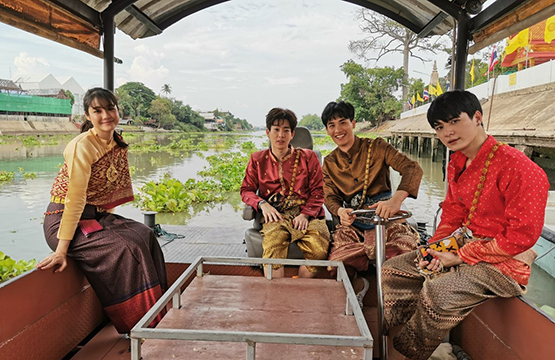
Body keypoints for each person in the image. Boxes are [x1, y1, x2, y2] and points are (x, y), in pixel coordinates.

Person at [382, 90, 549, 360]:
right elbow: (452, 213)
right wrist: (435, 250)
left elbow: (520, 238)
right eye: (439, 127)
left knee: (439, 290)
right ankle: (416, 344)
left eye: (454, 121)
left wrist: (458, 256)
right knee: (394, 270)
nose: (447, 132)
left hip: (505, 261)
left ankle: (413, 353)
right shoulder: (457, 162)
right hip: (463, 246)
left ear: (477, 117)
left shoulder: (520, 168)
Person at [37, 88, 167, 334]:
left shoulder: (114, 141)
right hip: (63, 220)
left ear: (118, 111)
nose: (106, 115)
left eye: (110, 108)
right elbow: (75, 200)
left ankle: (159, 311)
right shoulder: (82, 146)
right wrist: (61, 250)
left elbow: (107, 192)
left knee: (143, 234)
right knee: (125, 248)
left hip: (95, 216)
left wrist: (106, 218)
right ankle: (140, 326)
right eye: (97, 110)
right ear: (87, 115)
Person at [321, 100, 423, 307]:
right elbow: (330, 197)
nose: (338, 130)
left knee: (409, 252)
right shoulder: (329, 163)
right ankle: (358, 287)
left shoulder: (377, 147)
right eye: (332, 126)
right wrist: (340, 211)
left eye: (343, 123)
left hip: (386, 220)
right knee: (336, 263)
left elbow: (412, 169)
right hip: (354, 223)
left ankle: (403, 303)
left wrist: (395, 201)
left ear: (353, 123)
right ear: (327, 130)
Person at [241, 107, 330, 278]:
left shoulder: (309, 157)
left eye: (286, 130)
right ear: (268, 132)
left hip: (308, 216)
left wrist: (305, 215)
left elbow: (318, 191)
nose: (280, 135)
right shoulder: (258, 159)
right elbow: (246, 190)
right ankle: (278, 294)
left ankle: (300, 290)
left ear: (292, 134)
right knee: (273, 249)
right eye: (276, 130)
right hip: (276, 216)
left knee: (319, 250)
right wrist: (262, 203)